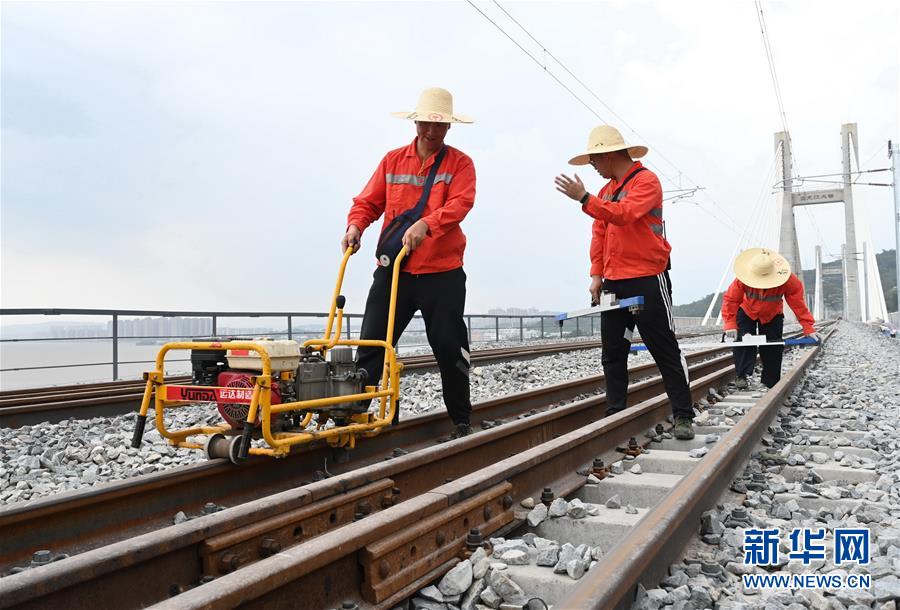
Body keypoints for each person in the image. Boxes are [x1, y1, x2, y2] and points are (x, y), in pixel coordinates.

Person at [342, 87, 477, 439]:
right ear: (415, 122)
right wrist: (355, 226)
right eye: (426, 125)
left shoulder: (460, 164)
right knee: (372, 343)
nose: (431, 132)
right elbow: (368, 201)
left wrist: (427, 223)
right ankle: (356, 415)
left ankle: (461, 420)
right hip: (395, 270)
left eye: (439, 126)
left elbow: (462, 203)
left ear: (449, 128)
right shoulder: (392, 161)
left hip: (442, 272)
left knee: (449, 346)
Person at [554, 125, 695, 440]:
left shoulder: (646, 181)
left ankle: (683, 414)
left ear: (609, 154)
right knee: (613, 351)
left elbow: (625, 214)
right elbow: (600, 233)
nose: (592, 165)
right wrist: (596, 274)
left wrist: (584, 198)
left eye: (594, 159)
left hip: (647, 276)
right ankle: (615, 413)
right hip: (614, 281)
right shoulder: (605, 191)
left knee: (663, 347)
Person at [721, 248, 817, 389]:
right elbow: (731, 300)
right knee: (743, 342)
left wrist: (808, 327)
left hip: (772, 314)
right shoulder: (742, 279)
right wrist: (730, 324)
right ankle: (742, 375)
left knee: (773, 346)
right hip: (747, 311)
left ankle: (770, 381)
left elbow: (798, 304)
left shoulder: (788, 280)